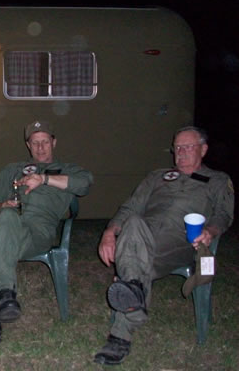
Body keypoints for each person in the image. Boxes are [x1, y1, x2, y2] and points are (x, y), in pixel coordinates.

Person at [94, 126, 234, 365]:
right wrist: (109, 233)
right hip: (143, 235)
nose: (181, 152)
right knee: (134, 223)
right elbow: (130, 208)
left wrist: (210, 232)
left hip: (182, 241)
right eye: (177, 147)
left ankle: (121, 332)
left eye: (188, 147)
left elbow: (224, 214)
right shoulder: (157, 176)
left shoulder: (218, 180)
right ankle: (134, 300)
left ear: (203, 150)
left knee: (134, 259)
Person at [0, 120, 93, 353]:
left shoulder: (67, 170)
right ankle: (5, 296)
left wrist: (43, 179)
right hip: (8, 226)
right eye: (35, 143)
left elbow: (85, 184)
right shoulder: (13, 169)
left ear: (54, 142)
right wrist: (0, 205)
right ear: (28, 145)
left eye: (45, 142)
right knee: (3, 220)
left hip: (38, 232)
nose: (40, 147)